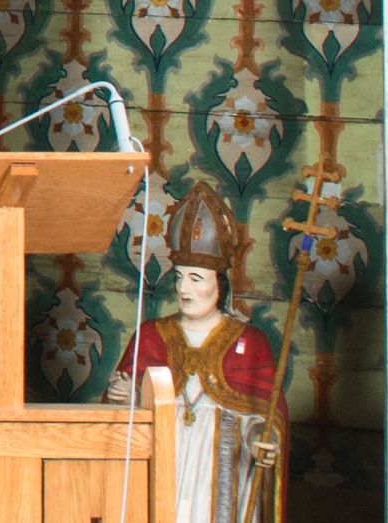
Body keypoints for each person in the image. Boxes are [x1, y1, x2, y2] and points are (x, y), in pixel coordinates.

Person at [115, 178, 284, 523]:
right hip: (164, 463)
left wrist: (260, 441)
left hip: (221, 472)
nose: (184, 289)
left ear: (218, 285)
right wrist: (126, 398)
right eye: (179, 277)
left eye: (196, 278)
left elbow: (266, 417)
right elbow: (122, 418)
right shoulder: (152, 335)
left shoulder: (250, 342)